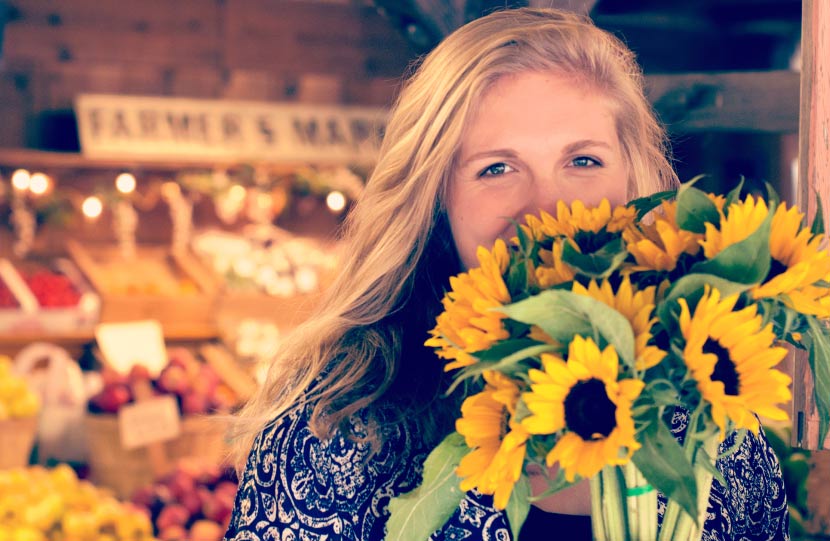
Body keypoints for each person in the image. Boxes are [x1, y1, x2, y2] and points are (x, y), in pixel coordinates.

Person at [223, 7, 789, 541]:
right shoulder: (339, 427)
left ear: (634, 182)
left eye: (583, 160)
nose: (548, 210)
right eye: (496, 168)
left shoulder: (714, 422)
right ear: (437, 201)